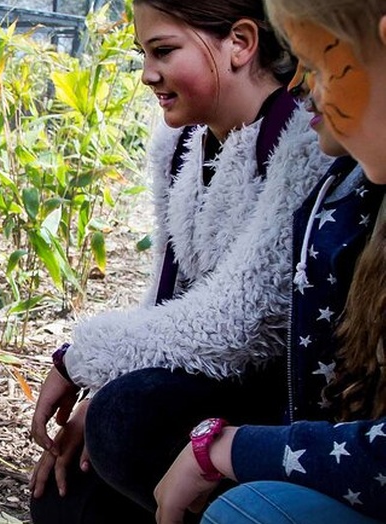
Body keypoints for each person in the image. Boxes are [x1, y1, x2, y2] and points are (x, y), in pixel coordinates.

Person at [28, 1, 337, 521]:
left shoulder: (304, 135)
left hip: (281, 402)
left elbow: (237, 322)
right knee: (65, 495)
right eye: (143, 54)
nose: (148, 74)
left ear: (240, 43)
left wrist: (81, 359)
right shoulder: (179, 146)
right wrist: (101, 389)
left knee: (123, 420)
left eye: (163, 51)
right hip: (203, 384)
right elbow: (168, 296)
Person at [154, 2, 386, 522]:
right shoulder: (341, 183)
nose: (299, 84)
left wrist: (226, 449)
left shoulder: (303, 151)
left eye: (317, 64)